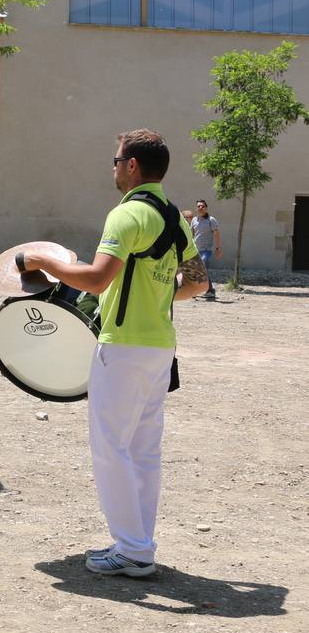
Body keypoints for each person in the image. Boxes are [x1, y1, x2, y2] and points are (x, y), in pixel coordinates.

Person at [22, 129, 207, 577]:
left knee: (110, 449)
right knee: (143, 451)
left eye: (116, 160)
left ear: (133, 166)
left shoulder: (127, 216)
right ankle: (138, 543)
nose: (113, 167)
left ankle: (133, 550)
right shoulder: (174, 217)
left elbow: (96, 278)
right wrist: (155, 300)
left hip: (122, 347)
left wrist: (44, 262)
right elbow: (198, 283)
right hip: (159, 347)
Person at [190, 200, 221, 300]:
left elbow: (216, 234)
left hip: (207, 250)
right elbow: (192, 235)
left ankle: (201, 289)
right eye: (198, 206)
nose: (200, 208)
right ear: (196, 208)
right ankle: (209, 290)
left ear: (206, 208)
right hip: (196, 250)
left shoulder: (211, 220)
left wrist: (218, 248)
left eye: (202, 206)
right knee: (199, 270)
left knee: (202, 266)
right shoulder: (194, 220)